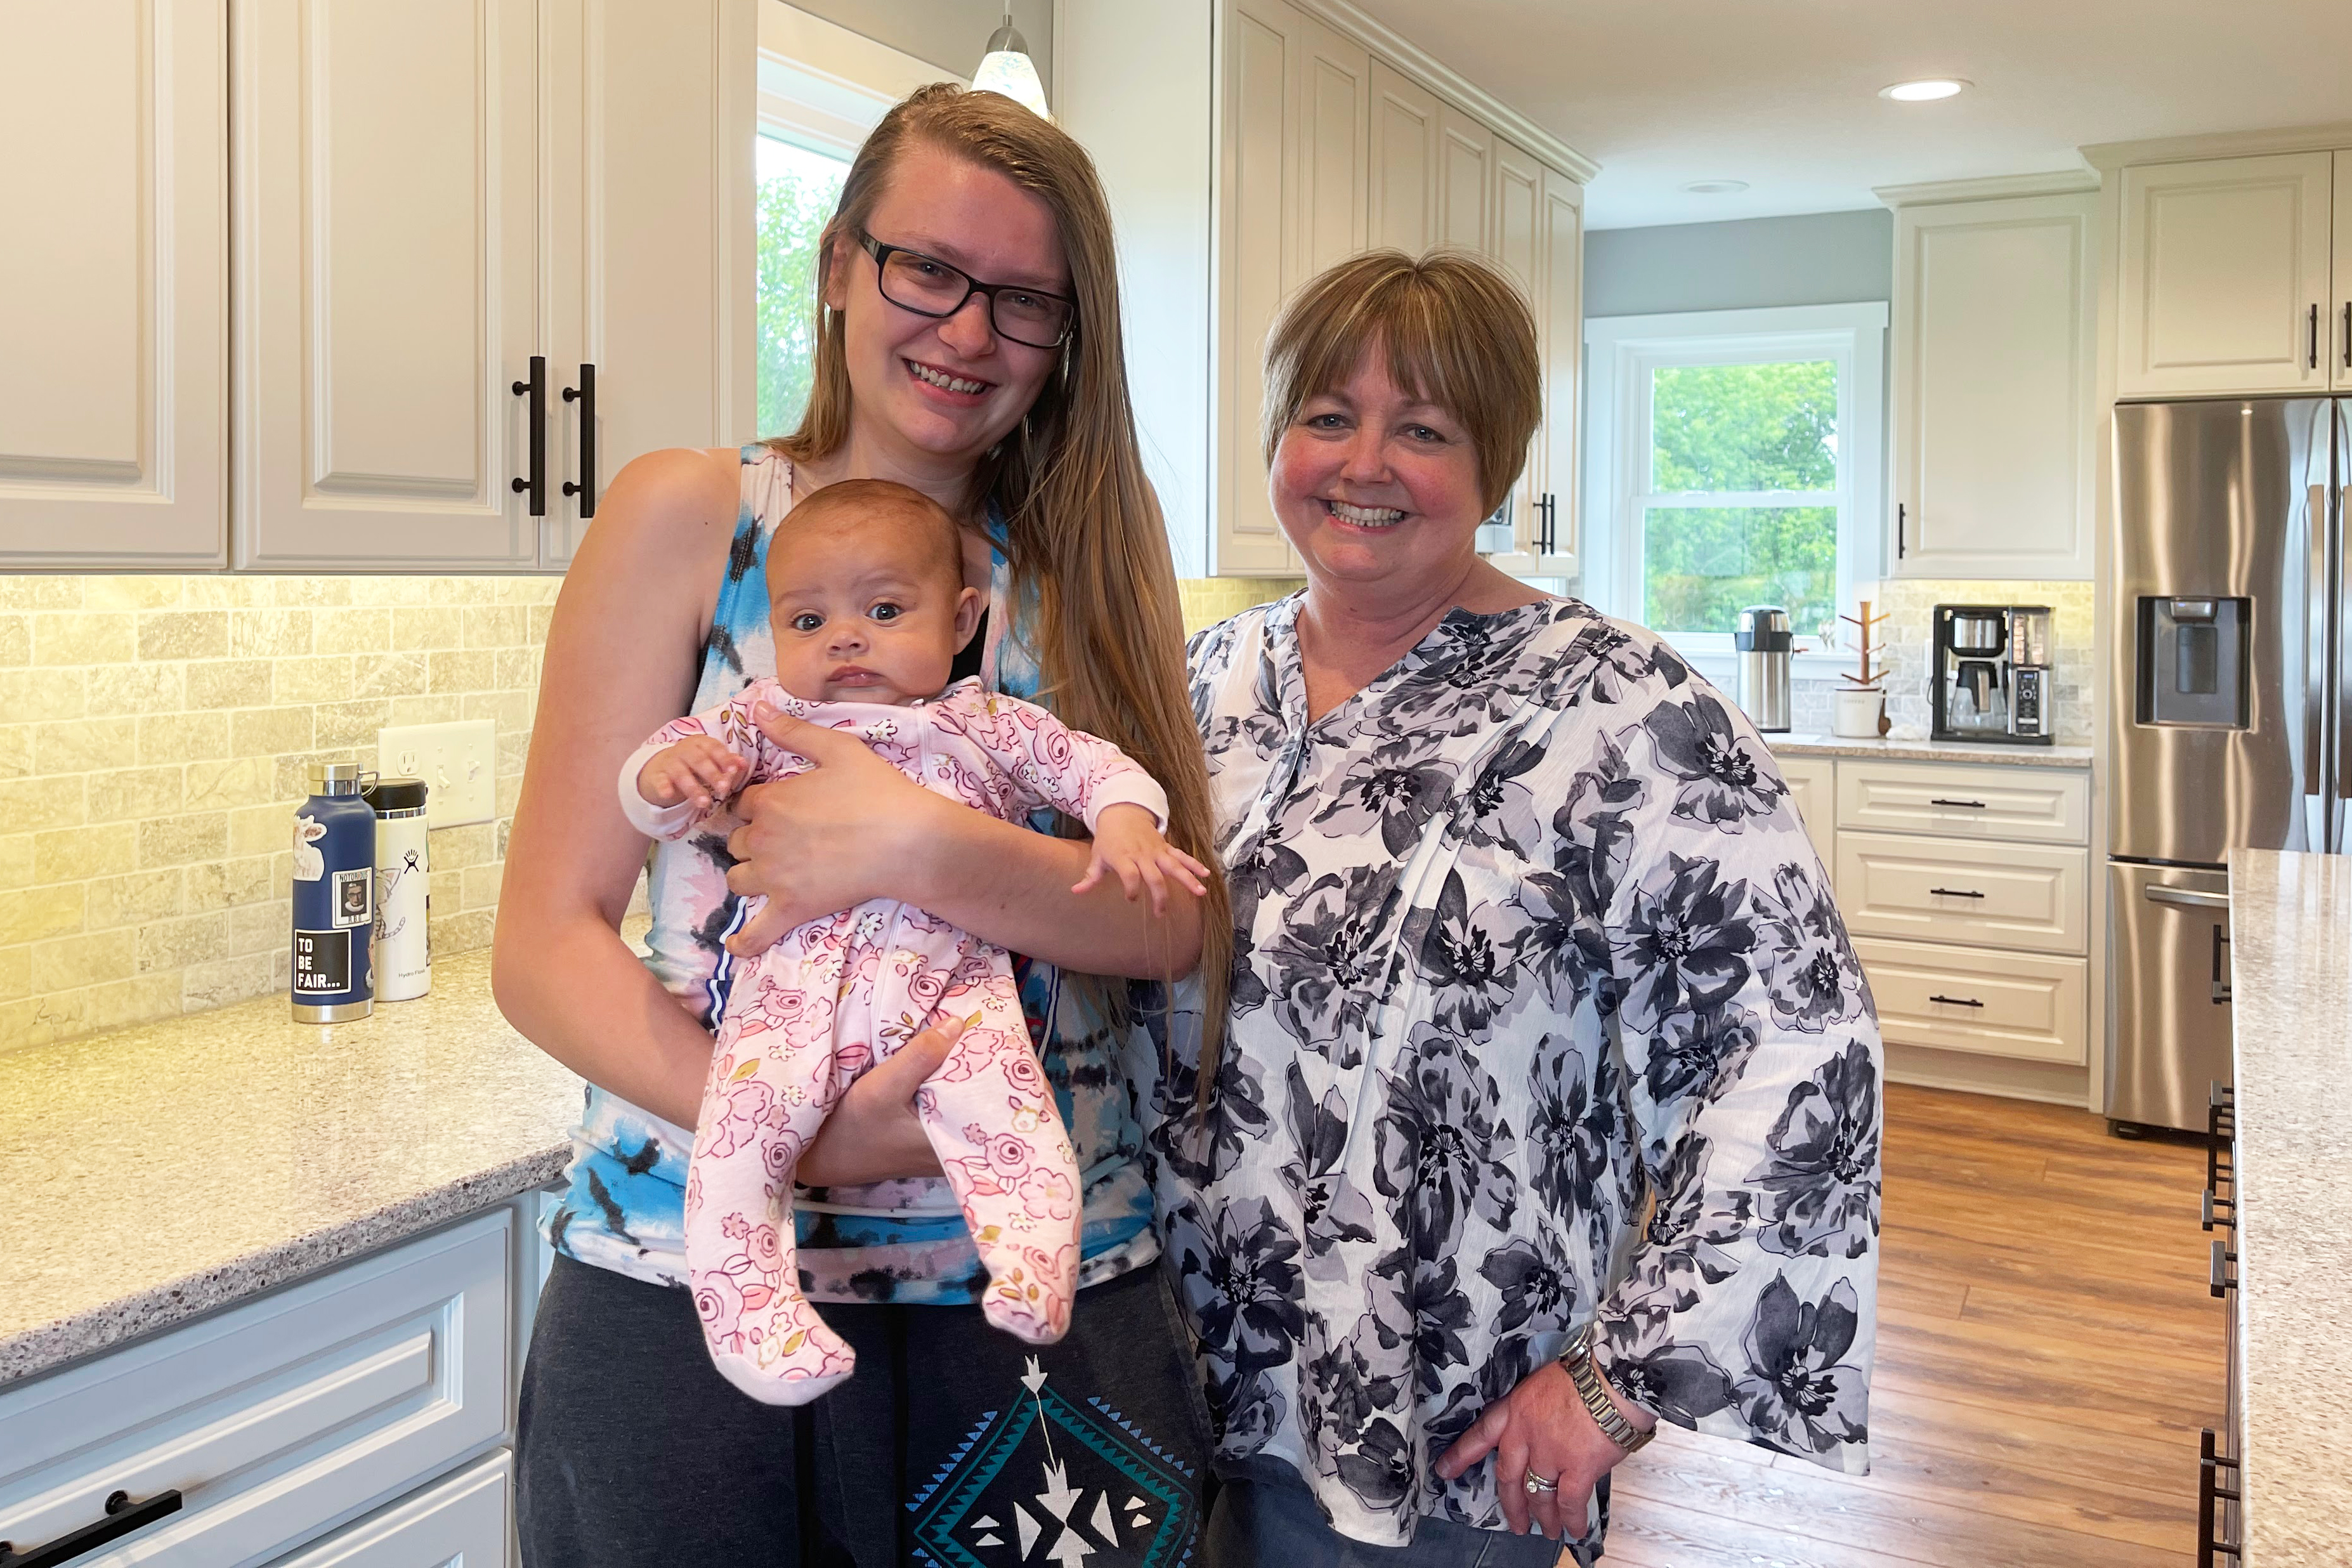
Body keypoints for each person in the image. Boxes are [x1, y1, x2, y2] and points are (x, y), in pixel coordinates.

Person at [494, 84, 1226, 1567]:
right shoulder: (693, 515)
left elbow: (1172, 916)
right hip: (688, 1284)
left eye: (1027, 301)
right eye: (929, 270)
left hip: (1046, 1288)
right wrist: (794, 1137)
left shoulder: (1092, 540)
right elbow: (541, 943)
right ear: (838, 266)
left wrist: (918, 847)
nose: (968, 333)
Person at [1147, 249, 1883, 1567]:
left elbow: (1796, 1051)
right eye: (1327, 416)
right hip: (1158, 1382)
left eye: (1422, 430)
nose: (1364, 463)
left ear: (1497, 470)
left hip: (1441, 1434)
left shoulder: (1624, 713)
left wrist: (1622, 1378)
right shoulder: (1198, 684)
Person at [618, 478, 1207, 1402]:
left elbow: (1093, 768)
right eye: (807, 621)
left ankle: (1030, 1263)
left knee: (1012, 1118)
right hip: (791, 998)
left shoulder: (984, 724)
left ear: (963, 616)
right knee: (738, 1144)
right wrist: (664, 771)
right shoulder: (768, 721)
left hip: (952, 991)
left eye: (885, 610)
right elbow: (658, 794)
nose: (844, 638)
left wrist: (1128, 822)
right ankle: (751, 1319)